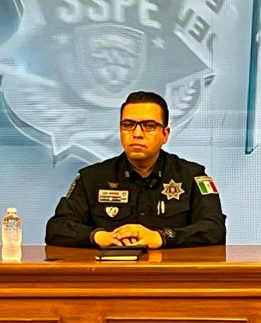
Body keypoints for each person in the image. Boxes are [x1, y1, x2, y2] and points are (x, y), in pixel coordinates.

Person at [46, 91, 226, 248]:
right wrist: (100, 237)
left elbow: (214, 228)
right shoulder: (92, 178)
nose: (137, 134)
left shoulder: (192, 176)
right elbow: (57, 228)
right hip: (110, 273)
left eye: (149, 126)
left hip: (169, 273)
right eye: (128, 125)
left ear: (165, 134)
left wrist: (162, 237)